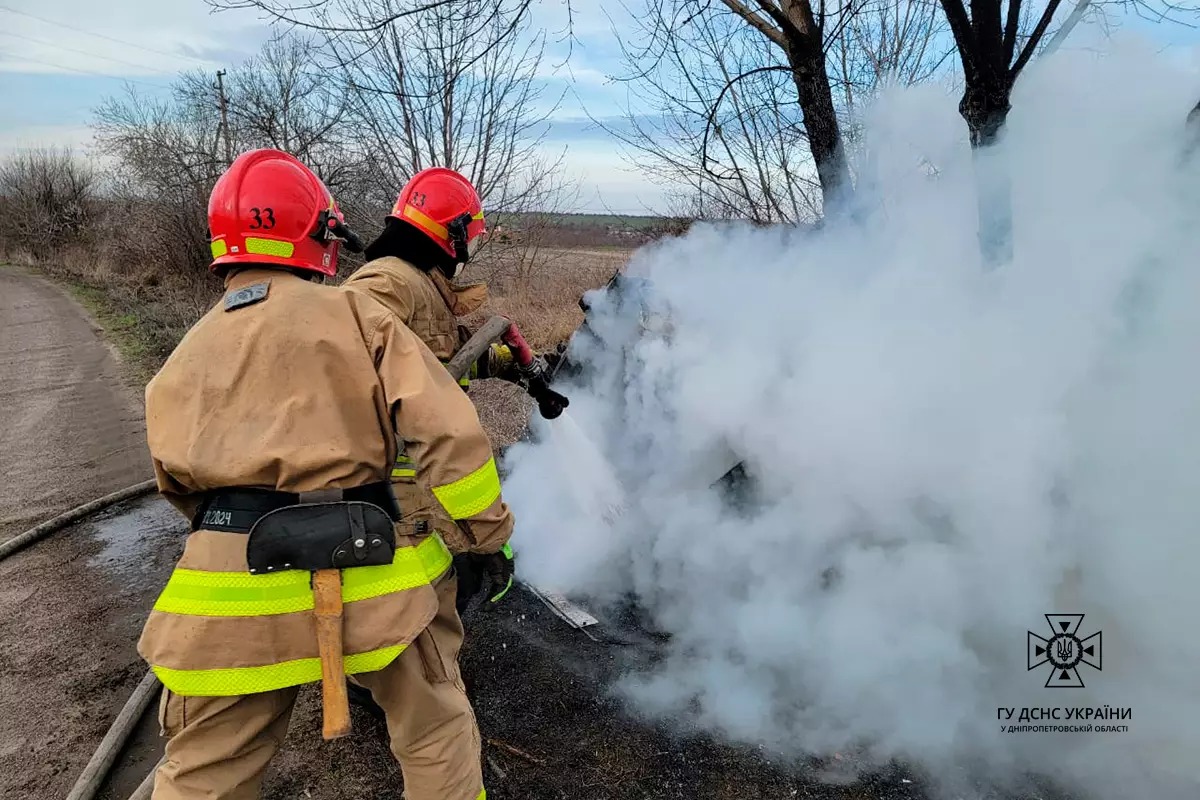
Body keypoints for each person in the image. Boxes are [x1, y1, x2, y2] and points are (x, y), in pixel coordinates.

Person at [138, 148, 510, 800]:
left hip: (228, 590)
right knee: (435, 732)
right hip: (367, 565)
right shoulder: (356, 315)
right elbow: (449, 434)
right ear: (318, 235)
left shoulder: (185, 354)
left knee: (203, 774)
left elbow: (179, 486)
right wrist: (487, 535)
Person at [341, 167, 564, 611]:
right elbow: (350, 348)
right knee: (409, 617)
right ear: (454, 232)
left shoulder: (420, 283)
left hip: (420, 484)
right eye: (470, 235)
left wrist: (510, 364)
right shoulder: (389, 279)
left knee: (432, 607)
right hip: (397, 492)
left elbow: (437, 359)